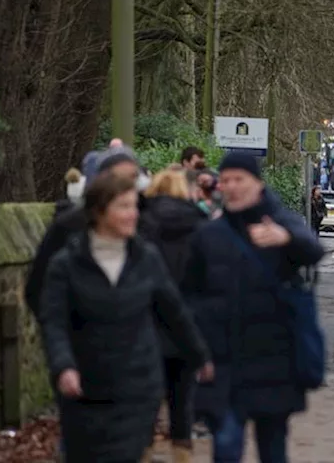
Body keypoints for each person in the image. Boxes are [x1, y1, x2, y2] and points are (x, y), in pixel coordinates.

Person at [38, 172, 213, 463]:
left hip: (137, 386)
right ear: (98, 210)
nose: (133, 214)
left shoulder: (146, 258)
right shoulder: (66, 264)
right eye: (123, 206)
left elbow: (174, 312)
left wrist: (200, 356)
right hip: (84, 387)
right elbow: (53, 320)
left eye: (134, 206)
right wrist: (63, 365)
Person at [188, 153, 325, 463]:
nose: (233, 187)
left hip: (273, 360)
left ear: (258, 184)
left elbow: (314, 250)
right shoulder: (207, 235)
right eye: (226, 181)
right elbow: (187, 293)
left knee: (273, 449)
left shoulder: (279, 221)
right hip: (222, 361)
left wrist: (286, 238)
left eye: (240, 180)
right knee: (225, 445)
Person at [25, 146, 158, 319]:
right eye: (119, 177)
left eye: (133, 177)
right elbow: (39, 287)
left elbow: (166, 295)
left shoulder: (148, 223)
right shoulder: (69, 225)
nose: (127, 184)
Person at [143, 170, 210, 463]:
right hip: (186, 324)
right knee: (182, 401)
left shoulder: (140, 223)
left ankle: (143, 451)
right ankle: (181, 454)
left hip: (146, 326)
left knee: (145, 403)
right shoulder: (199, 224)